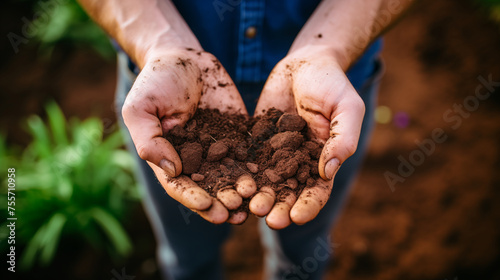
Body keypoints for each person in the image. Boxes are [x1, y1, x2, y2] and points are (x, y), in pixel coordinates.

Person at [79, 0, 412, 279]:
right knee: (189, 256)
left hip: (323, 92)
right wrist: (159, 43)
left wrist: (328, 48)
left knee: (302, 252)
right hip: (171, 96)